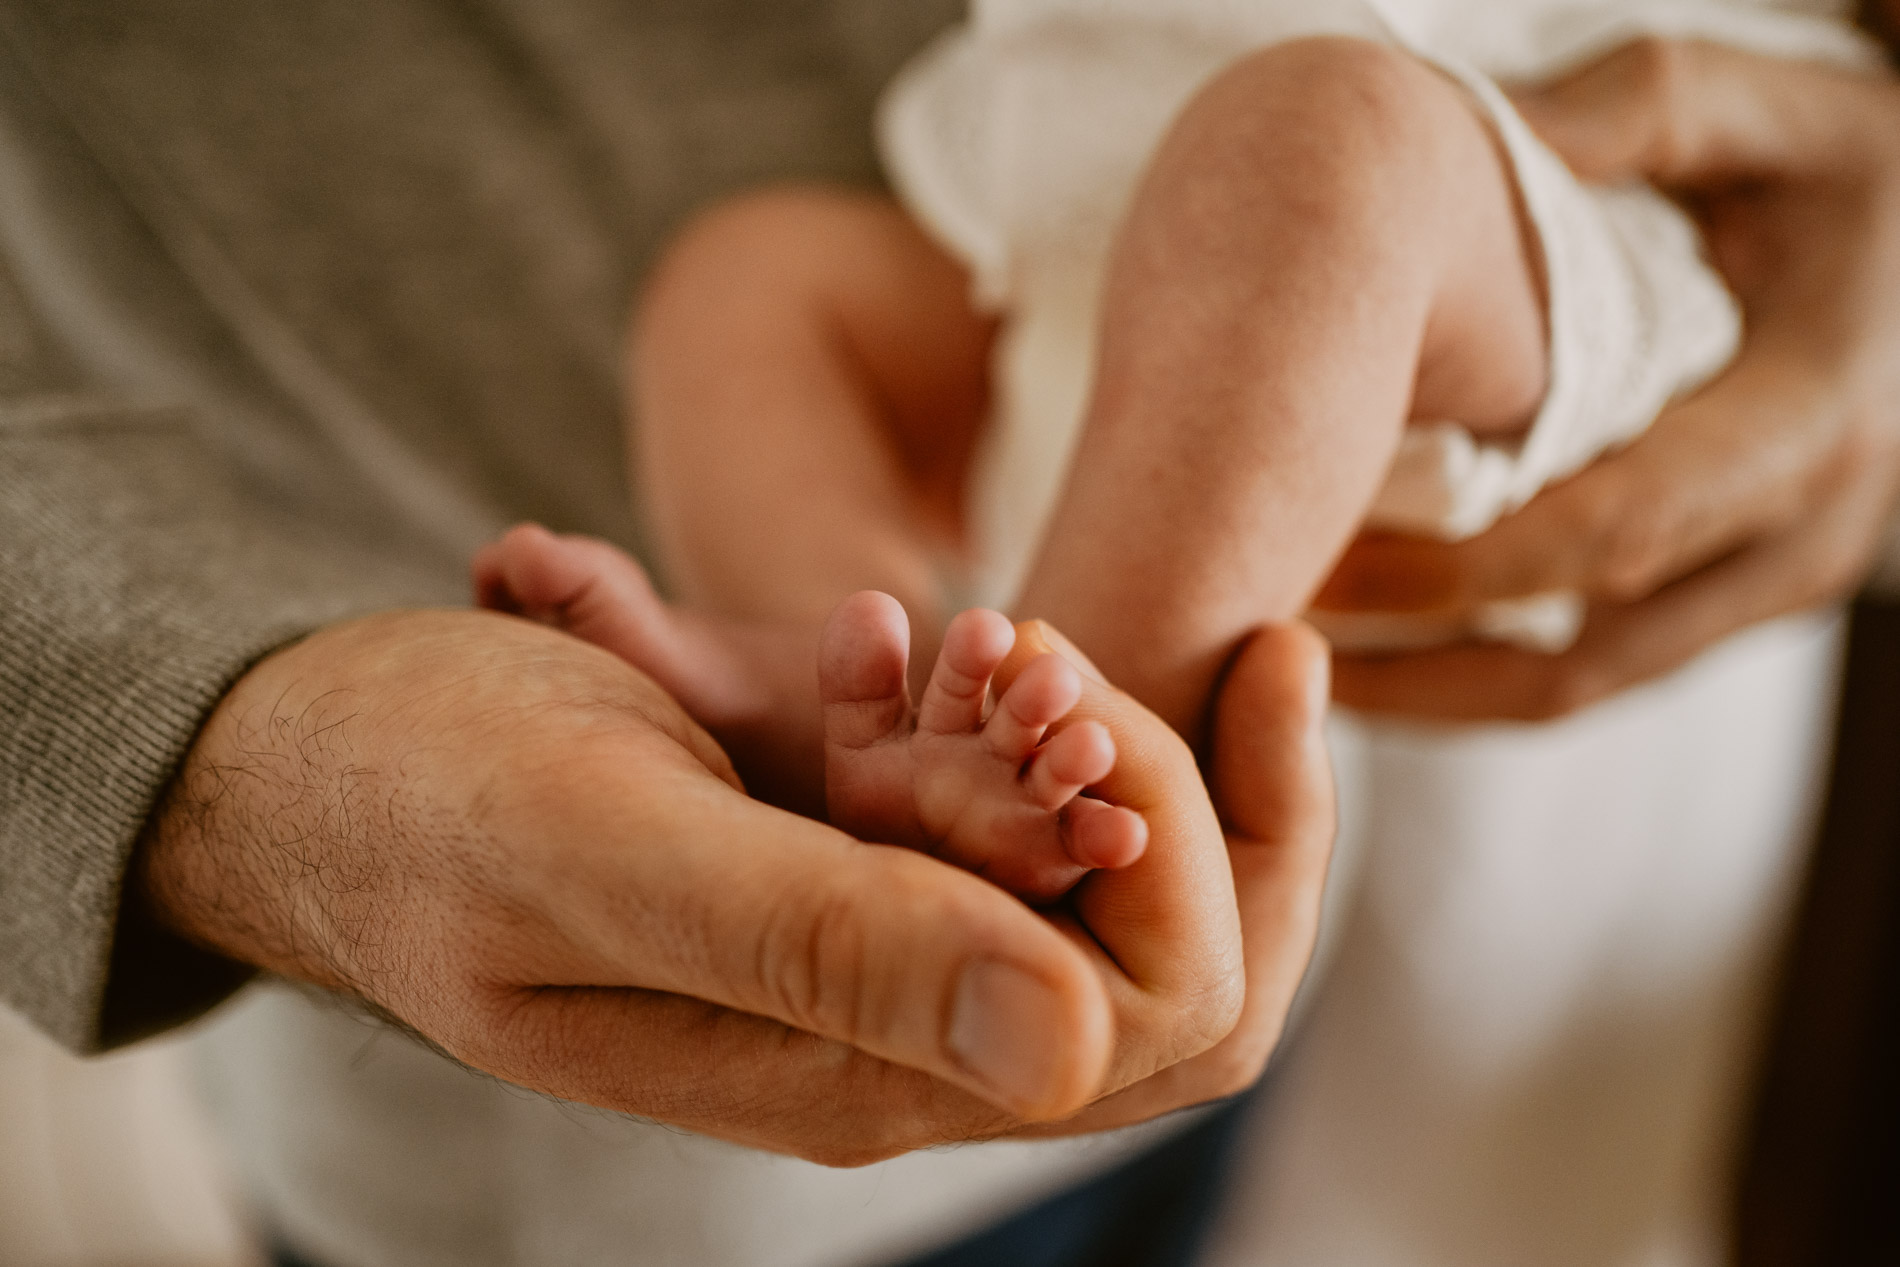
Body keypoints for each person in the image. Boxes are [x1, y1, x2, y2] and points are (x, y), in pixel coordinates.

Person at [3, 4, 1899, 1267]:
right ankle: (863, 688)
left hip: (1511, 181)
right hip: (1058, 216)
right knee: (742, 291)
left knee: (1321, 161)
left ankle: (1071, 775)